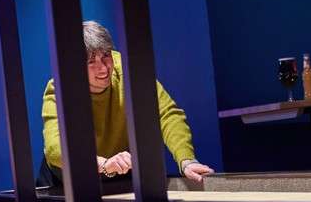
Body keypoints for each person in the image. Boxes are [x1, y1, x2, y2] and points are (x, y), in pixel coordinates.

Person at [40, 21, 215, 185]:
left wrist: (186, 160)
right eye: (91, 61)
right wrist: (104, 164)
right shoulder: (60, 88)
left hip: (121, 171)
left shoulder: (128, 70)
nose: (103, 68)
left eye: (106, 56)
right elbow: (55, 148)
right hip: (69, 180)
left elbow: (167, 114)